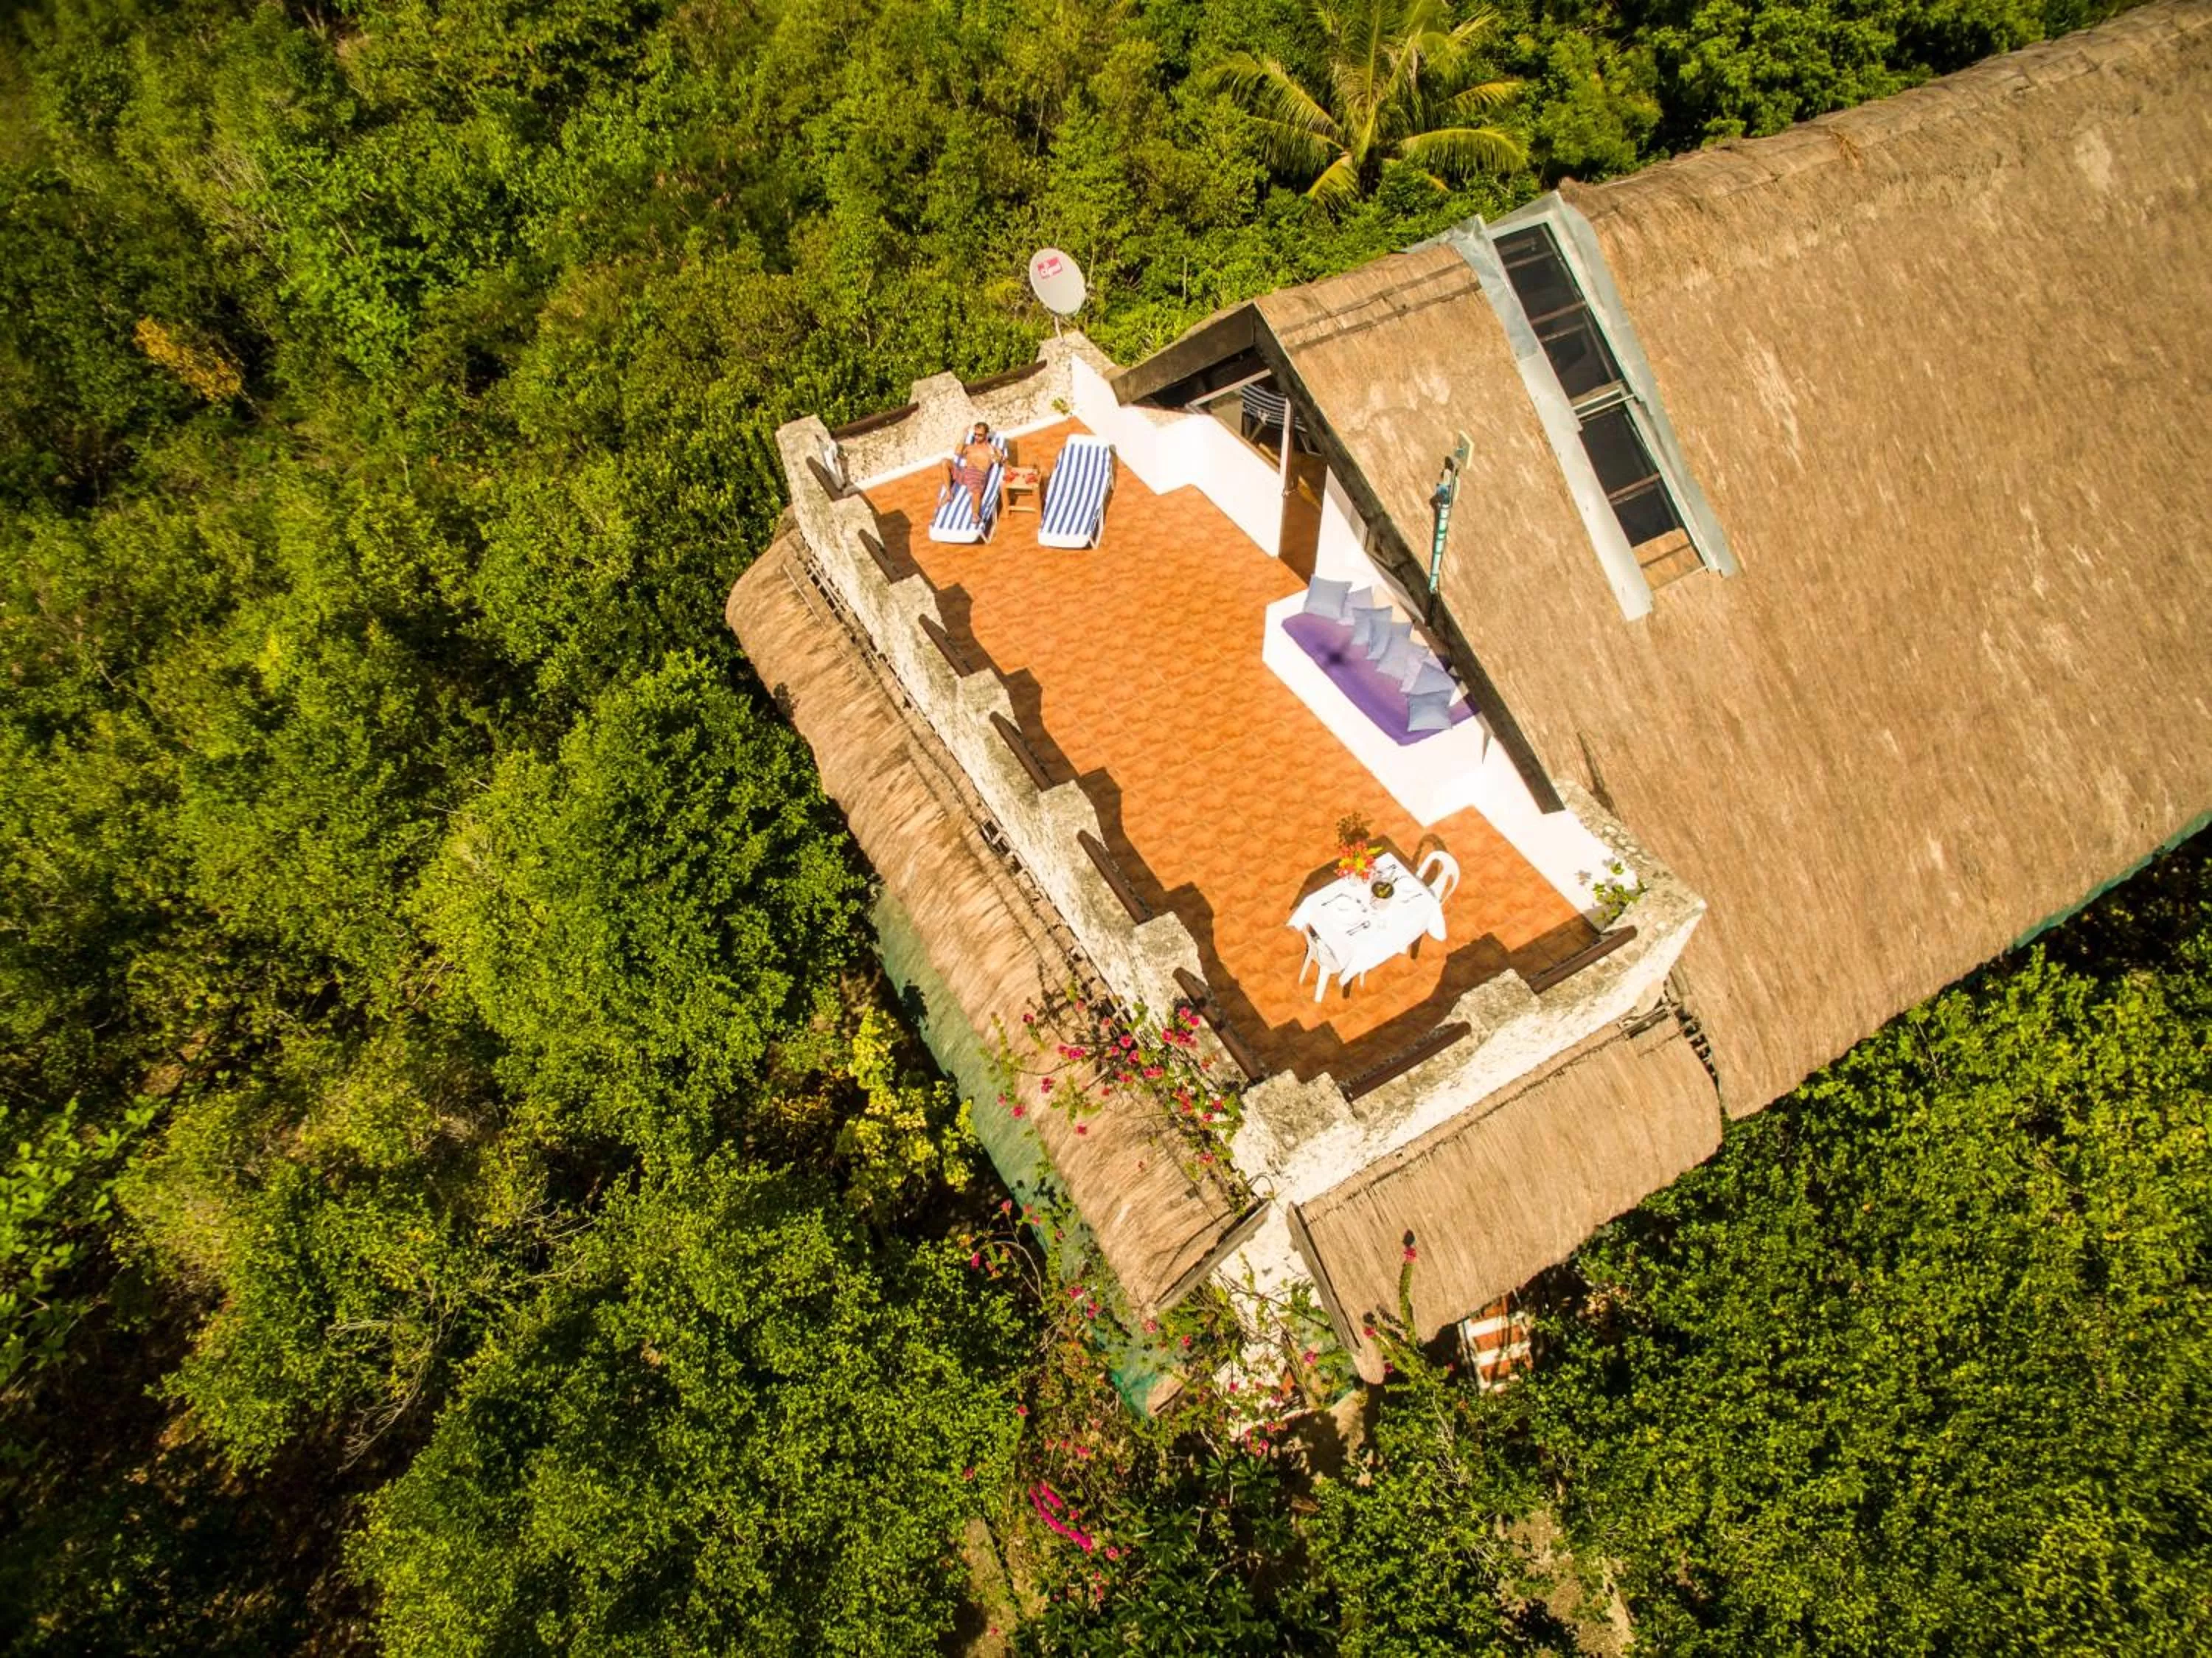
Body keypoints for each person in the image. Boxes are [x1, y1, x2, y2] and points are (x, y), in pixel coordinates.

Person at [942, 423, 999, 521]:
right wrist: (964, 436)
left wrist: (995, 456)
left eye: (980, 435)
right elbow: (957, 452)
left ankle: (975, 515)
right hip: (965, 472)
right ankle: (948, 493)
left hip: (978, 476)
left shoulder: (991, 449)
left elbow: (999, 459)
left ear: (986, 435)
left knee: (976, 492)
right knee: (945, 462)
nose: (977, 437)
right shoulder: (970, 447)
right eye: (975, 434)